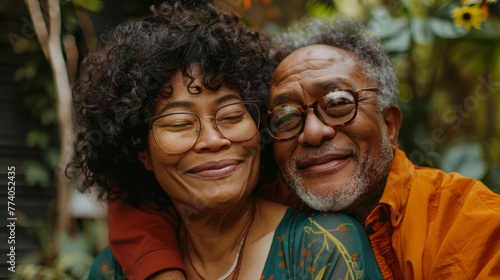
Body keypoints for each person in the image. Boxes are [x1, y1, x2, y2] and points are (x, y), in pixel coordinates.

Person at [105, 13, 500, 280]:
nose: (313, 132)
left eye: (338, 105)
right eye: (288, 115)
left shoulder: (465, 222)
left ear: (390, 124)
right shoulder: (263, 188)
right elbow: (139, 201)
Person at [70, 1, 384, 279]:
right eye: (180, 123)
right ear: (143, 154)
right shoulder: (115, 271)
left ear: (260, 129)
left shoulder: (325, 245)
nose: (212, 139)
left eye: (232, 116)